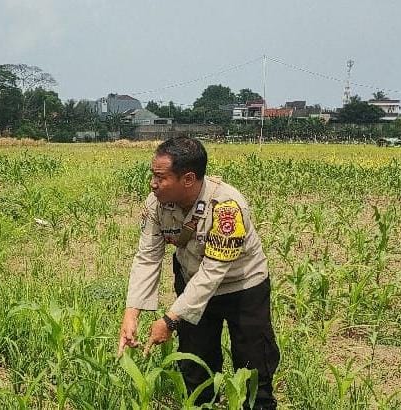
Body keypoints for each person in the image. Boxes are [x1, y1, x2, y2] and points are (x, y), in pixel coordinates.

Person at [117, 137, 280, 409]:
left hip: (242, 286)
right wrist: (131, 313)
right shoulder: (157, 204)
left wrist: (170, 320)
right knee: (195, 365)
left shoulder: (227, 208)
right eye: (152, 175)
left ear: (188, 179)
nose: (152, 184)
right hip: (192, 280)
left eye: (161, 177)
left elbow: (213, 273)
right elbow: (147, 257)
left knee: (254, 366)